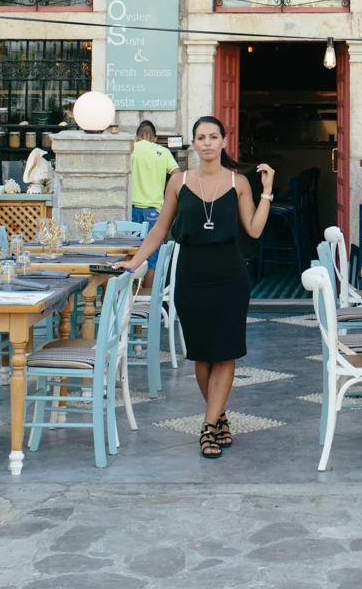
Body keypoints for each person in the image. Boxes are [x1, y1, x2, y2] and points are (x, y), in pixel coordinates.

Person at [116, 116, 273, 459]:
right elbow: (159, 229)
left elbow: (255, 229)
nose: (207, 143)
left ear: (223, 141)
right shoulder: (178, 180)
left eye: (213, 137)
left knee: (226, 352)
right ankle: (218, 416)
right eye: (201, 137)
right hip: (191, 274)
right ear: (194, 143)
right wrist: (135, 260)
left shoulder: (239, 182)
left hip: (230, 276)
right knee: (202, 355)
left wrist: (267, 191)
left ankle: (207, 427)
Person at [130, 119, 176, 233]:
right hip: (154, 209)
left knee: (131, 248)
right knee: (153, 247)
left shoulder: (130, 149)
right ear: (155, 138)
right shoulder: (164, 152)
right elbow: (178, 175)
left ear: (137, 137)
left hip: (132, 209)